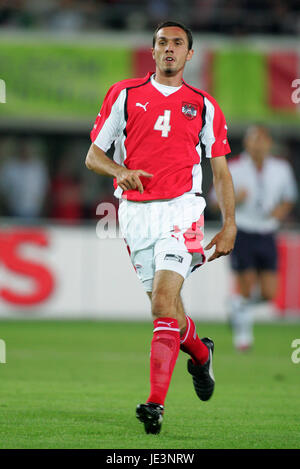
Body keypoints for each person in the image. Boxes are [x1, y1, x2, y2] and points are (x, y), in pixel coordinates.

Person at [85, 21, 237, 434]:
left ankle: (155, 405)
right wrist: (120, 169)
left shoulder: (204, 104)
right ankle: (201, 356)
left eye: (177, 44)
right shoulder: (125, 94)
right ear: (152, 52)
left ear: (190, 55)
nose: (169, 49)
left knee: (160, 306)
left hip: (182, 211)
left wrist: (229, 224)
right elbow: (94, 156)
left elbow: (220, 171)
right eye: (161, 43)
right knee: (169, 310)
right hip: (135, 216)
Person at [211, 125, 298, 351]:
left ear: (268, 143)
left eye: (262, 140)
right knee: (247, 285)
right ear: (247, 144)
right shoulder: (235, 168)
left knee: (269, 292)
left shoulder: (281, 168)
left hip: (267, 231)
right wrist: (234, 200)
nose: (258, 145)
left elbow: (289, 196)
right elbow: (213, 199)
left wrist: (280, 211)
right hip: (243, 230)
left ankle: (237, 305)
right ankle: (243, 336)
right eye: (253, 140)